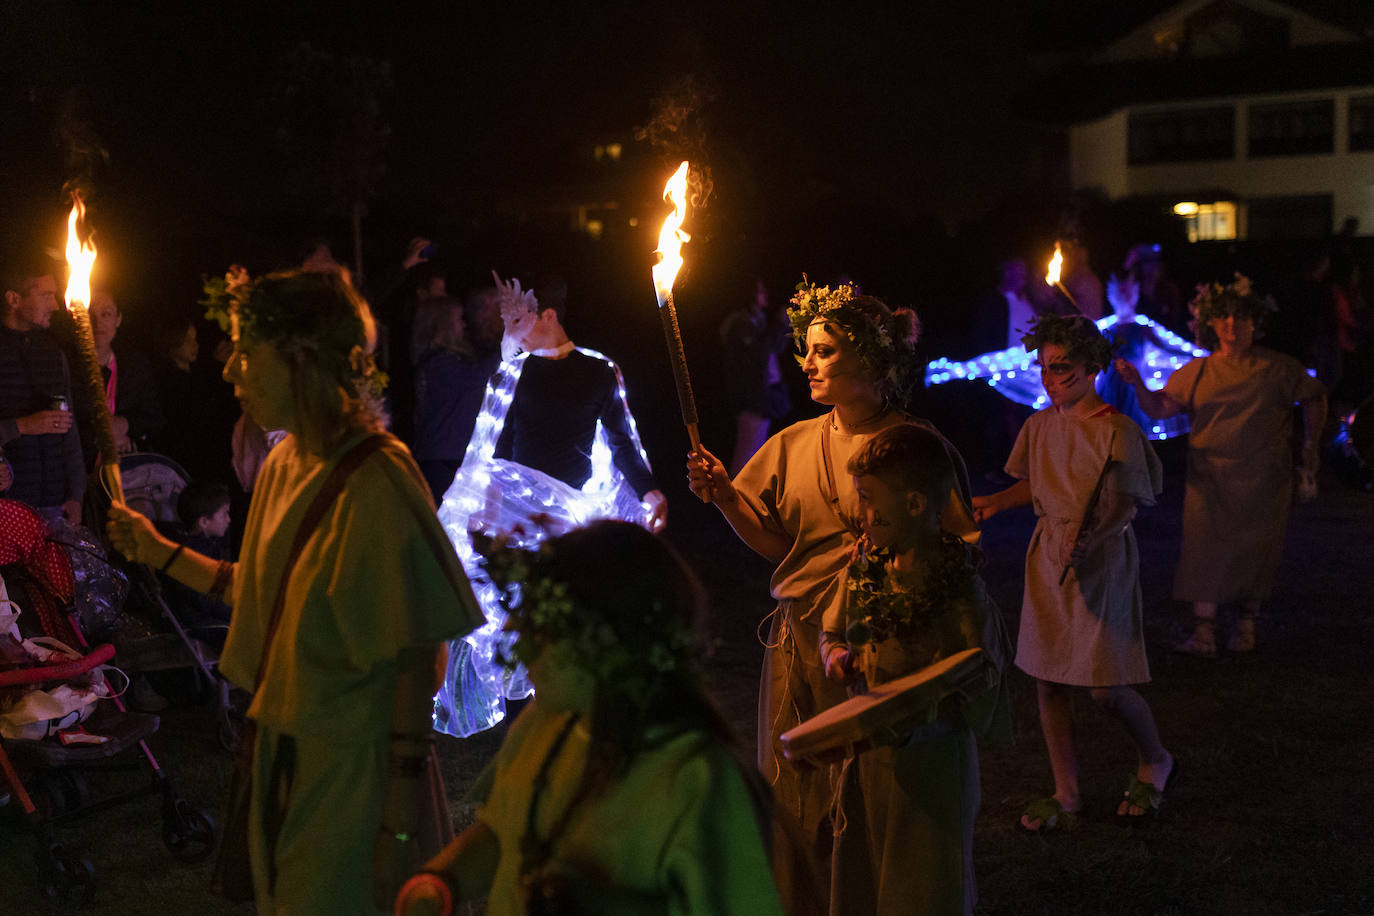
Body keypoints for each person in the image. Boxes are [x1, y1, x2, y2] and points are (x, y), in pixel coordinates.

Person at [105, 269, 483, 914]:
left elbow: (419, 659)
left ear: (303, 358)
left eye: (247, 353)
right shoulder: (284, 462)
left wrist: (395, 828)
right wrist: (157, 549)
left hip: (353, 773)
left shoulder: (377, 478)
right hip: (282, 750)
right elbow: (256, 590)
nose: (230, 373)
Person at [686, 278, 977, 909]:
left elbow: (958, 548)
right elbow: (775, 544)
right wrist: (725, 497)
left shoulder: (916, 448)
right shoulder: (792, 442)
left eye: (824, 350)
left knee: (878, 794)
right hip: (801, 644)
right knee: (803, 795)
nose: (807, 362)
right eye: (806, 349)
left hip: (887, 646)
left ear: (870, 360)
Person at [395, 520, 785, 916]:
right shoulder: (543, 724)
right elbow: (502, 830)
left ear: (608, 639)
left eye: (544, 625)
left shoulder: (696, 778)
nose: (522, 647)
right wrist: (440, 883)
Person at [974, 314, 1176, 830]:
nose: (1049, 378)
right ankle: (1067, 795)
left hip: (1101, 562)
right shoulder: (1039, 425)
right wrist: (997, 502)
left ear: (1092, 367)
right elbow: (1038, 486)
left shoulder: (1117, 431)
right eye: (1043, 367)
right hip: (1048, 557)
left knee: (1105, 687)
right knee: (1047, 681)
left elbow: (1123, 506)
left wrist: (1092, 540)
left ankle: (1155, 758)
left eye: (1060, 368)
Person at [819, 424, 1009, 915]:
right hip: (870, 765)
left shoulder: (958, 587)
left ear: (915, 504)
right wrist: (837, 656)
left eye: (868, 500)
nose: (862, 513)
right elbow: (833, 632)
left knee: (925, 885)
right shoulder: (864, 570)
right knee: (868, 867)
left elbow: (982, 670)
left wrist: (923, 710)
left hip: (934, 767)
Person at [1115, 275, 1327, 656]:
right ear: (1210, 323)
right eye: (1224, 317)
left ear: (1255, 323)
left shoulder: (1278, 368)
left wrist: (1311, 446)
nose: (1233, 325)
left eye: (1241, 317)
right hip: (1209, 480)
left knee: (1256, 550)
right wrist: (1137, 384)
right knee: (1204, 551)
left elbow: (1315, 397)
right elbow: (1161, 409)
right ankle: (1205, 633)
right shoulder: (1199, 372)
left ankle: (1246, 627)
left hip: (1265, 478)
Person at [492, 272, 667, 527]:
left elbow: (620, 443)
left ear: (548, 316)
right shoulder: (515, 371)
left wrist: (650, 492)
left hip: (571, 510)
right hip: (518, 509)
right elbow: (502, 444)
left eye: (518, 321)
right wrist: (490, 506)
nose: (511, 334)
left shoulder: (599, 372)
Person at [0, 255, 85, 525]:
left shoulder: (52, 353)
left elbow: (69, 432)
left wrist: (76, 493)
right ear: (14, 299)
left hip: (56, 506)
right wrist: (22, 426)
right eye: (46, 295)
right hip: (9, 508)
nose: (55, 305)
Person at [411, 295, 499, 503]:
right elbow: (476, 377)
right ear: (444, 324)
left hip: (447, 455)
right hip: (441, 458)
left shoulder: (448, 359)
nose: (463, 324)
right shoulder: (438, 363)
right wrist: (507, 347)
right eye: (458, 319)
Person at [76, 288, 163, 468]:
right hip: (81, 470)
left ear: (118, 319)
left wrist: (124, 426)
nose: (97, 322)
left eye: (106, 314)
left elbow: (154, 418)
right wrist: (103, 437)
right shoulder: (67, 367)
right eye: (89, 314)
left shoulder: (134, 366)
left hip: (128, 473)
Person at [719, 278, 793, 475]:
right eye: (760, 291)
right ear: (749, 294)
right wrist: (779, 324)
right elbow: (758, 354)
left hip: (763, 399)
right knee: (746, 457)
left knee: (756, 455)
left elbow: (774, 349)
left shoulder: (757, 322)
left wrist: (783, 325)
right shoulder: (739, 325)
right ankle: (731, 500)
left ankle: (743, 500)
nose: (765, 295)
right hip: (752, 400)